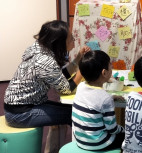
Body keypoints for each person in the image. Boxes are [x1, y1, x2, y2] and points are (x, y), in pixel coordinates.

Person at [4, 20, 89, 152]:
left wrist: (78, 58)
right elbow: (65, 89)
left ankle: (55, 149)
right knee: (74, 113)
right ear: (59, 43)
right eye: (71, 38)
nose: (74, 39)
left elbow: (58, 76)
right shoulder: (45, 61)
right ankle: (86, 147)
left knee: (69, 109)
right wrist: (84, 69)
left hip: (24, 105)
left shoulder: (39, 48)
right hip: (20, 113)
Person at [72, 50, 125, 151]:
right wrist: (123, 129)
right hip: (99, 143)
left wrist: (109, 97)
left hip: (80, 140)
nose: (112, 67)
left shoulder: (81, 86)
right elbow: (112, 129)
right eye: (110, 65)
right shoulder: (105, 99)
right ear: (104, 73)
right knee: (129, 137)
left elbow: (94, 99)